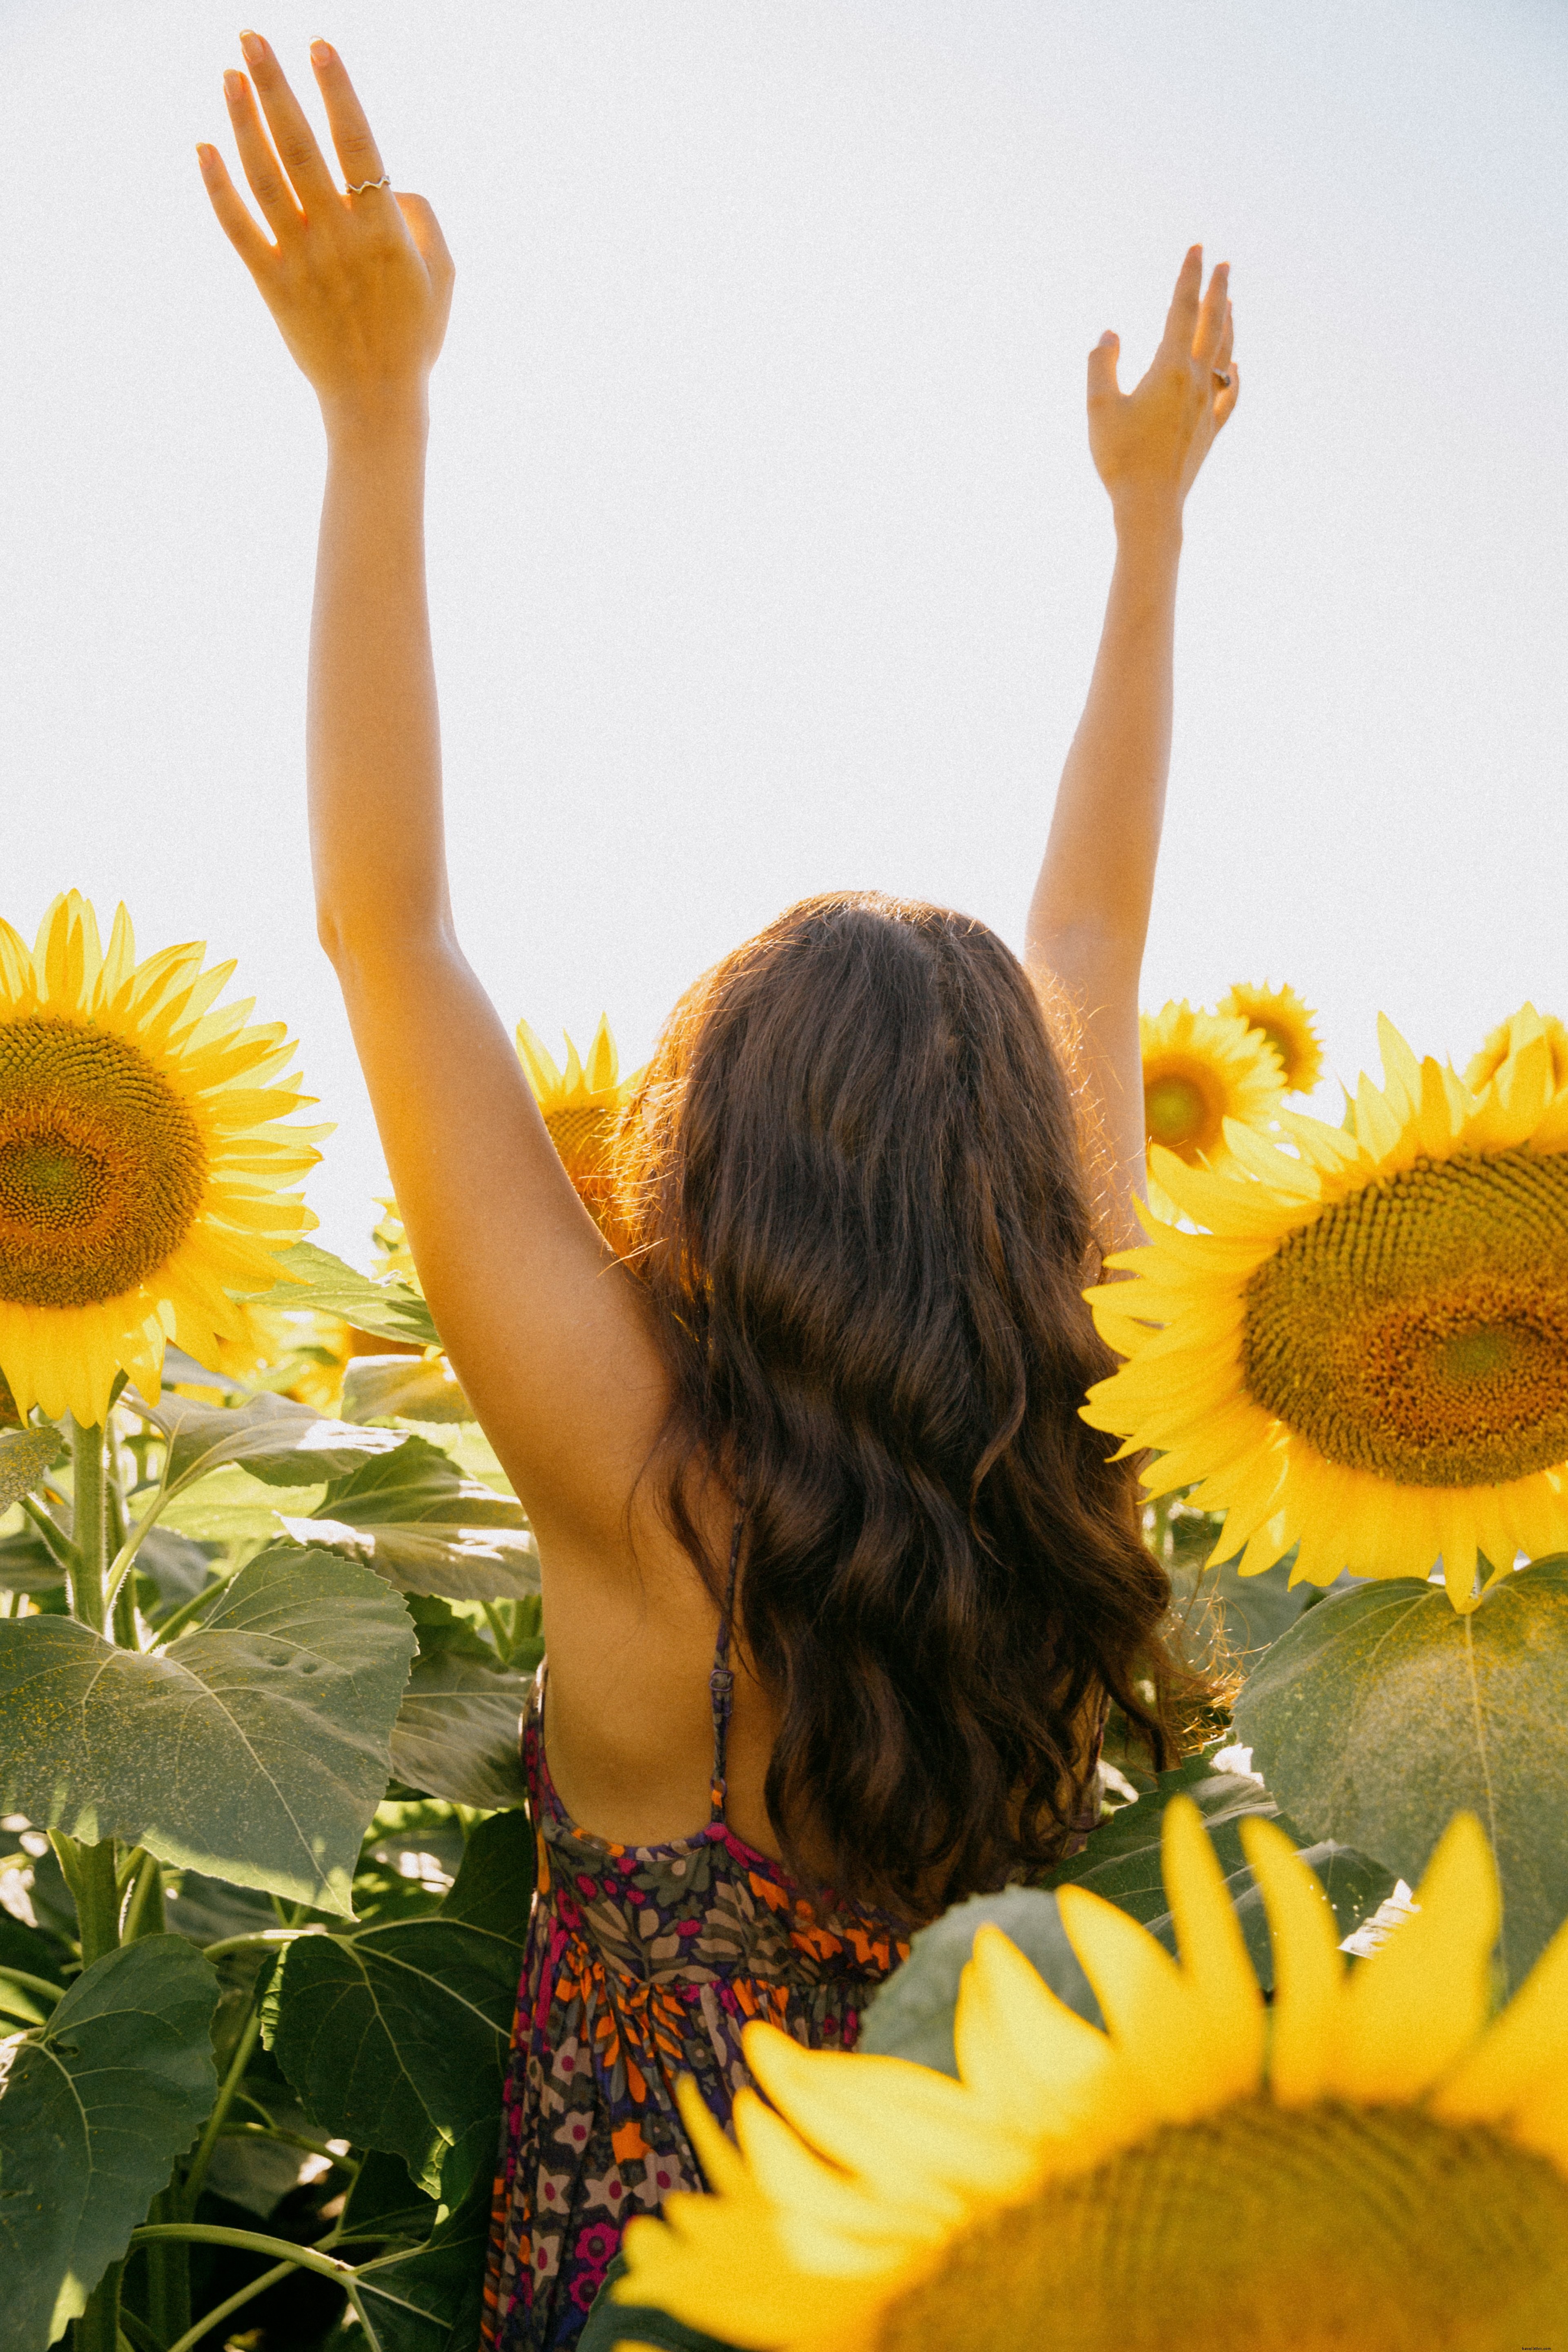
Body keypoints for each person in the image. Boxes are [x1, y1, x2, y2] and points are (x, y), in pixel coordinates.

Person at [199, 32, 1236, 2348]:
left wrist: (377, 425)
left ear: (715, 1148)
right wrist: (1150, 529)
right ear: (1023, 1189)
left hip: (629, 2299)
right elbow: (1090, 949)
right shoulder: (1086, 1456)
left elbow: (393, 923)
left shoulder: (630, 1468)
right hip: (973, 2279)